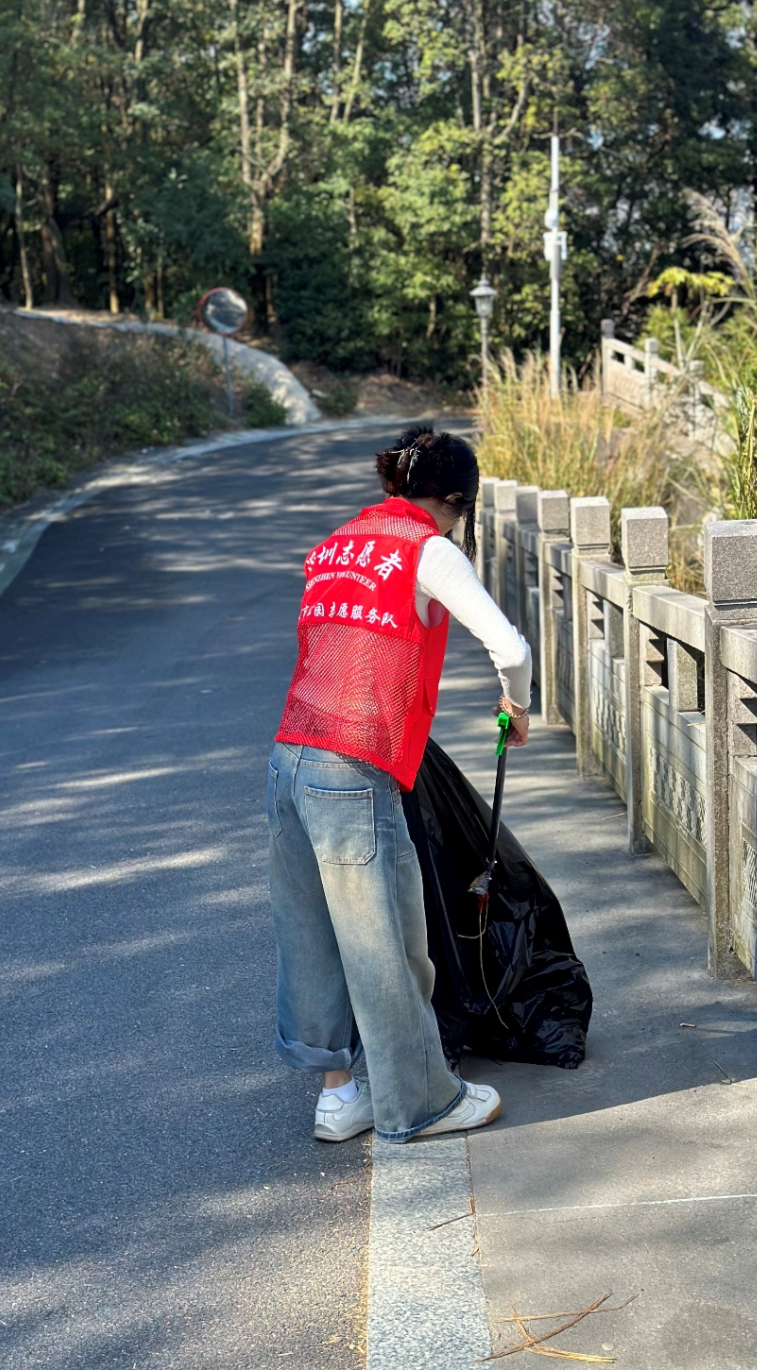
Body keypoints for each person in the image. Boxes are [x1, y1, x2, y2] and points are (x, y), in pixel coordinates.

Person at [268, 424, 531, 1145]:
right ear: (457, 502)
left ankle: (339, 1098)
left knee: (312, 936)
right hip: (354, 769)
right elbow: (510, 648)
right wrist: (516, 705)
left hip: (289, 757)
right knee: (386, 941)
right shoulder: (428, 548)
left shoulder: (336, 543)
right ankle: (419, 1103)